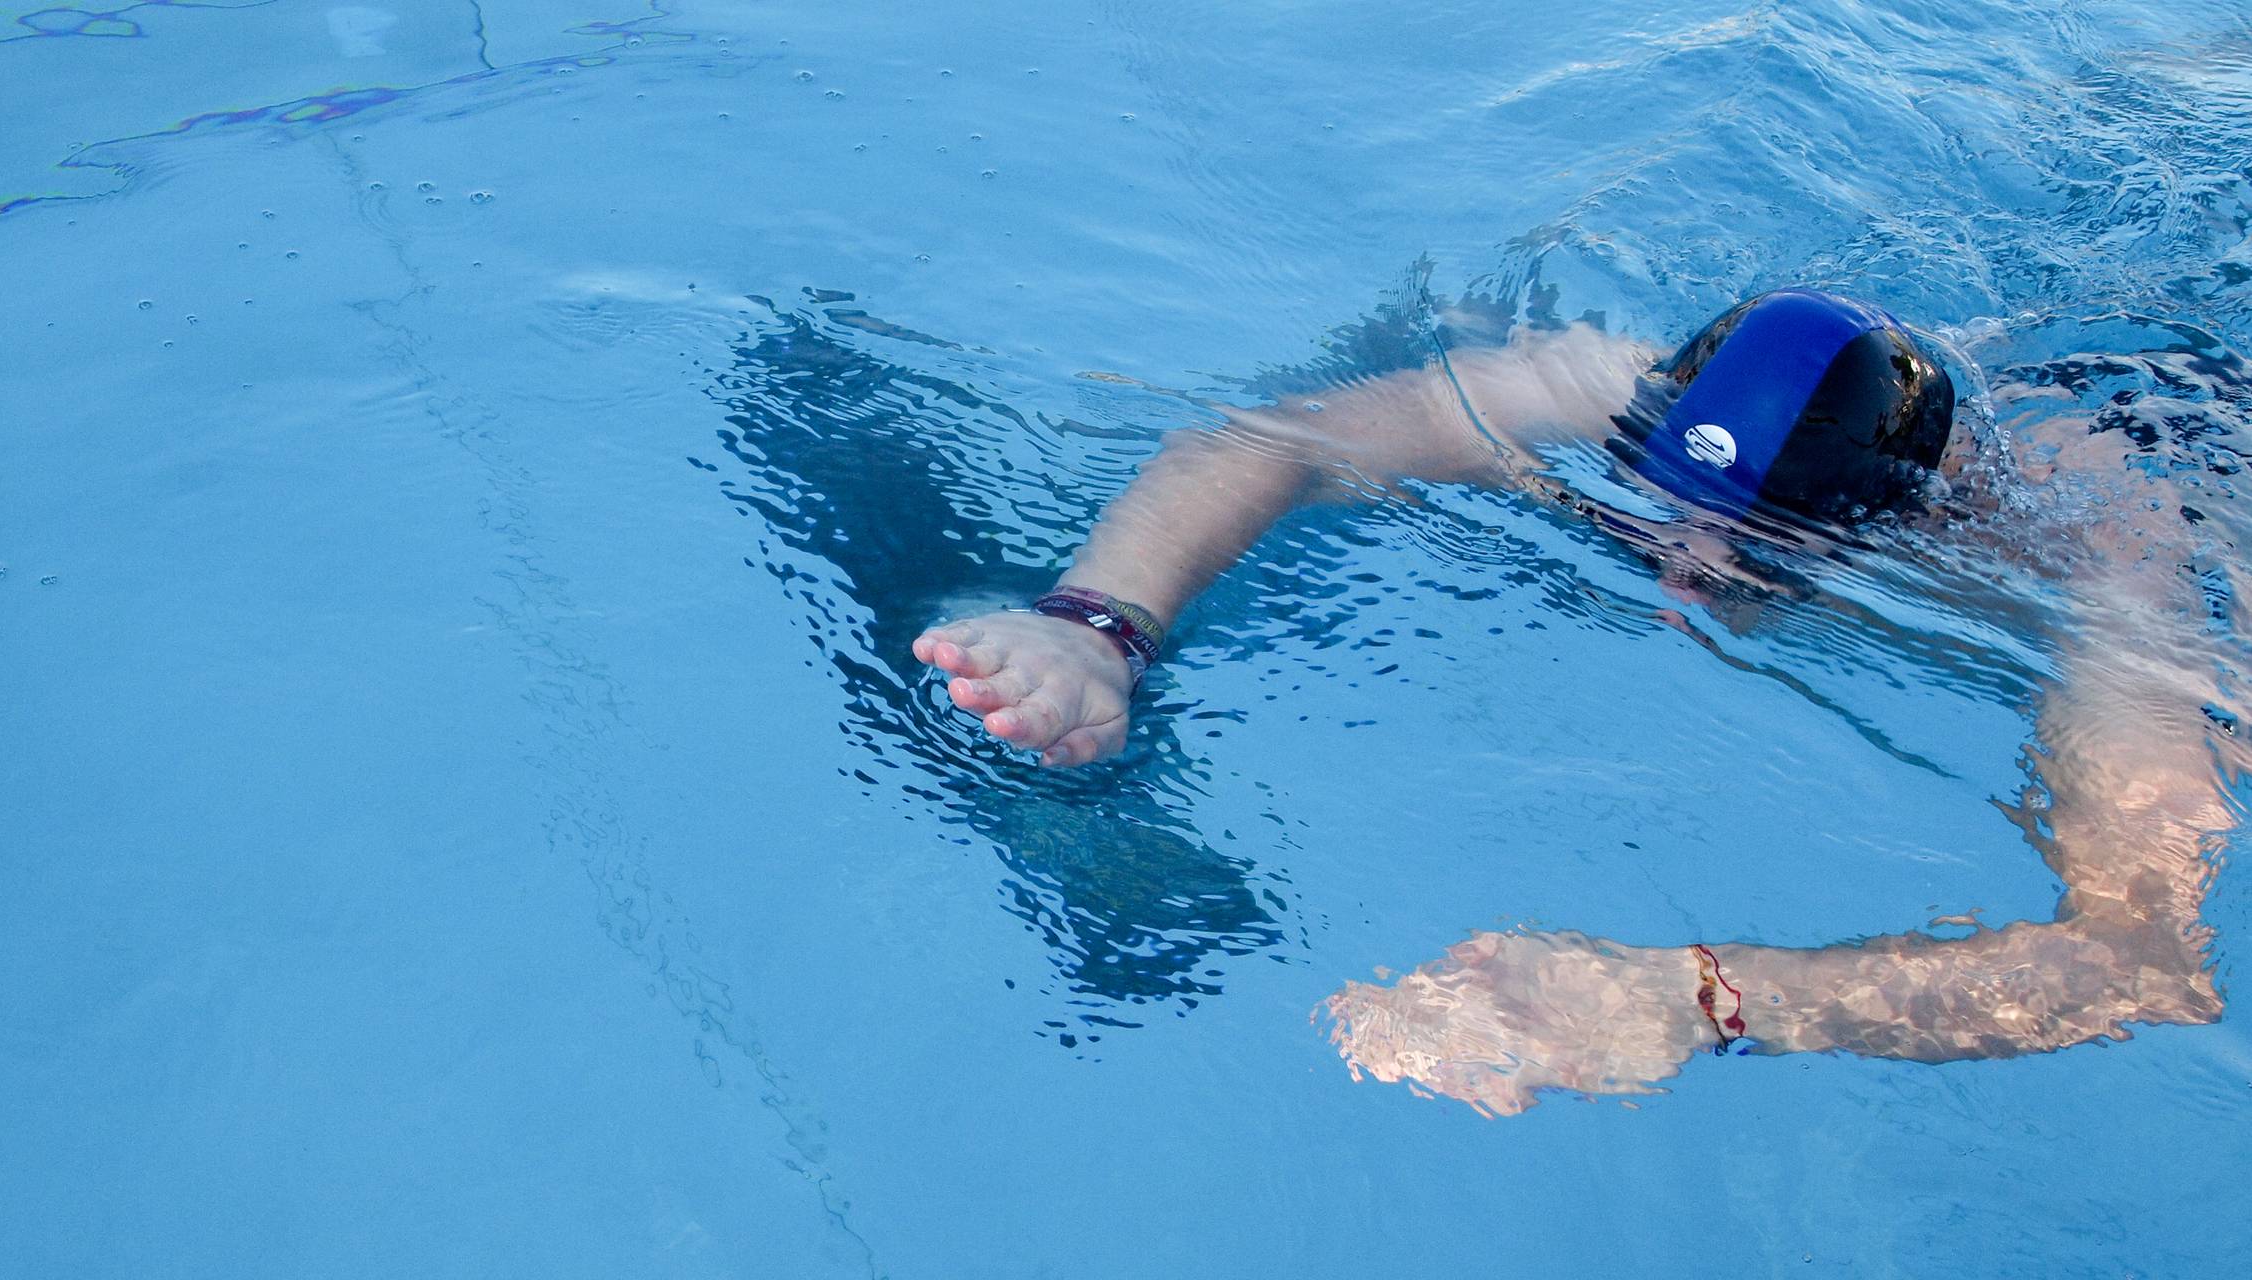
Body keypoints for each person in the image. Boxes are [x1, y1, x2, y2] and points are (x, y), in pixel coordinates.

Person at [911, 289, 2230, 1114]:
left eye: (1755, 555)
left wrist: (1700, 998)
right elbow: (1268, 442)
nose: (1678, 582)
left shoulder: (2112, 584)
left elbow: (2137, 963)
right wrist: (1094, 628)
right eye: (1665, 515)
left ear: (1898, 528)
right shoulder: (1619, 384)